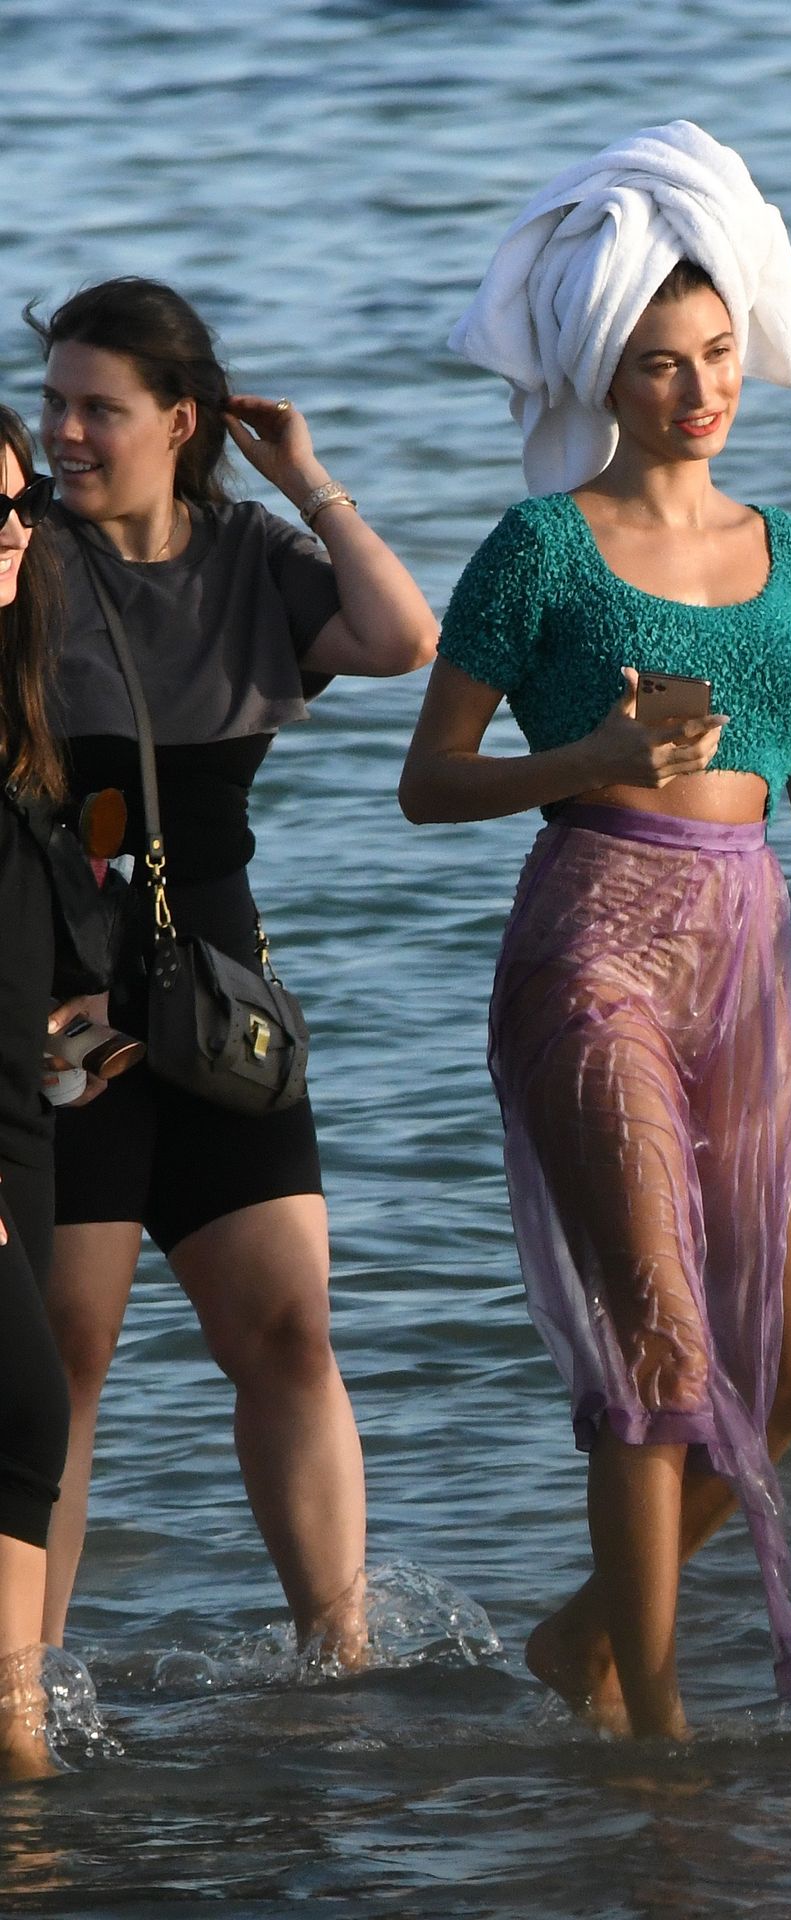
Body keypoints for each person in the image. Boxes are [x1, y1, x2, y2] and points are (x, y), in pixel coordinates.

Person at [400, 123, 791, 1739]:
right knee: (660, 1364)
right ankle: (650, 1738)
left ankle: (586, 1634)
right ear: (608, 373)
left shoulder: (788, 551)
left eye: (719, 354)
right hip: (591, 945)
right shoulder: (541, 548)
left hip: (748, 961)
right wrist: (591, 757)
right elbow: (427, 782)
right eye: (663, 363)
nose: (699, 389)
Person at [26, 277, 439, 1658]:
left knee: (287, 1335)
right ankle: (29, 1686)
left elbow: (403, 639)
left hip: (214, 1005)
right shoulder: (25, 563)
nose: (64, 432)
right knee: (64, 1359)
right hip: (63, 1013)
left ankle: (341, 1660)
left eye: (99, 408)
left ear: (180, 421)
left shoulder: (253, 555)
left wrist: (308, 480)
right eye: (52, 402)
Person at [0, 404, 77, 1776]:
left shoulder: (14, 706)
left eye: (19, 505)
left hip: (27, 1123)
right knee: (22, 1417)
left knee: (19, 1433)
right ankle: (19, 1755)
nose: (12, 530)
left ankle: (18, 1745)